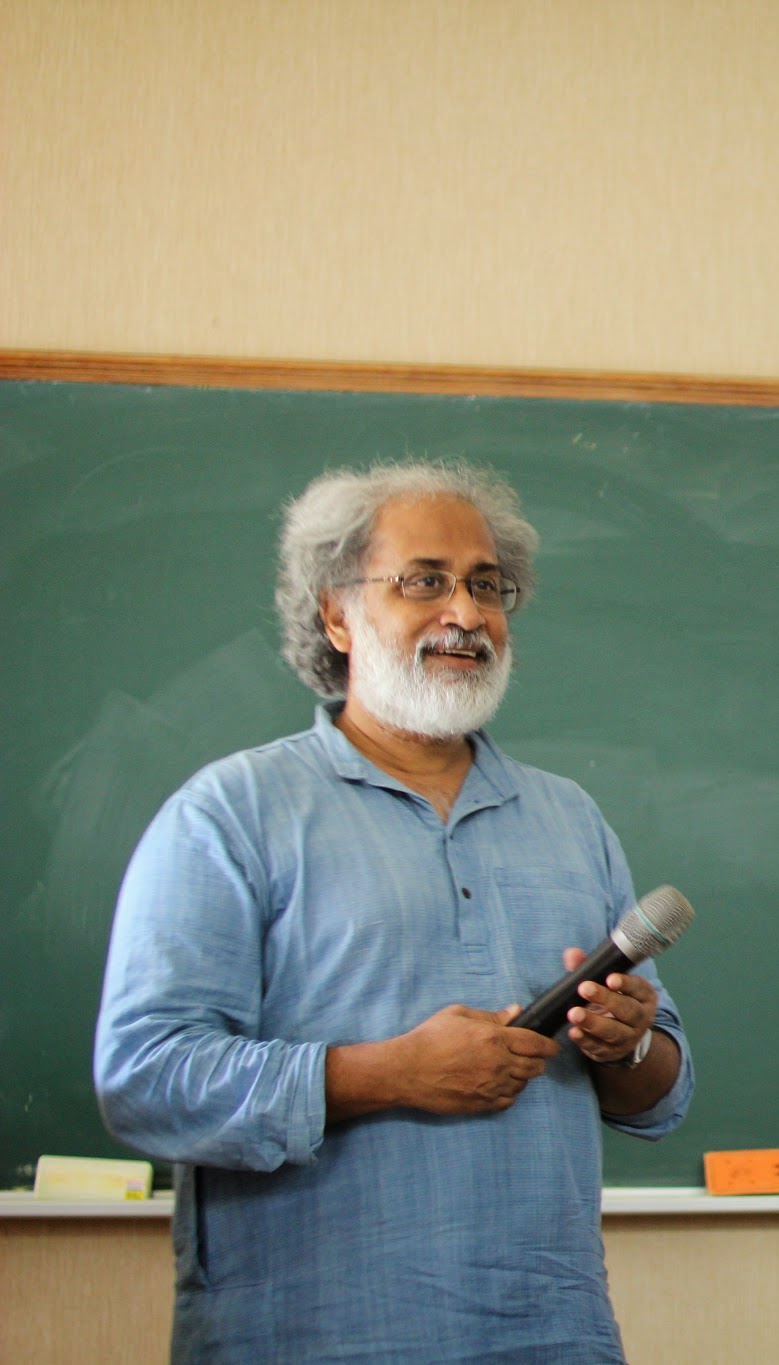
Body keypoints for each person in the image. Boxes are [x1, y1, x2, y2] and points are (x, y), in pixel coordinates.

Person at [94, 461, 693, 1361]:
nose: (466, 613)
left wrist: (627, 1043)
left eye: (486, 585)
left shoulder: (569, 818)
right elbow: (144, 1078)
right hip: (309, 1333)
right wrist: (387, 1073)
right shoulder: (231, 814)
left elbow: (662, 1095)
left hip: (549, 1330)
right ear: (336, 615)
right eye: (425, 581)